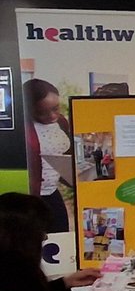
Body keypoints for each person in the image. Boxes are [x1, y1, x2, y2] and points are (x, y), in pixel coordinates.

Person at [23, 79, 73, 233]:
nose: (52, 116)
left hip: (52, 191)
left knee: (61, 234)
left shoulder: (61, 122)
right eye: (42, 112)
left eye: (55, 108)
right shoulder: (24, 129)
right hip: (32, 196)